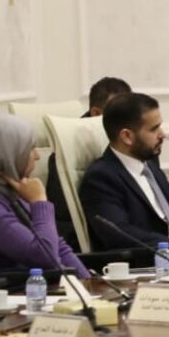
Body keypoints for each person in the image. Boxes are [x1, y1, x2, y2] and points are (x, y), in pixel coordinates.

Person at [79, 93, 169, 259]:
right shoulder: (101, 178)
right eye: (154, 129)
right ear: (127, 136)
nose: (163, 134)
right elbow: (122, 235)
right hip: (159, 266)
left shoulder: (150, 167)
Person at [0, 114, 88, 279]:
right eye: (30, 149)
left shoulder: (8, 191)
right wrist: (39, 202)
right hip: (18, 290)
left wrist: (88, 284)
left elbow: (59, 247)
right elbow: (45, 257)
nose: (37, 156)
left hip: (45, 286)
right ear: (5, 156)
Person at [50, 76, 132, 249]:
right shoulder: (65, 154)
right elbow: (64, 222)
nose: (128, 122)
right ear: (96, 114)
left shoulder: (137, 142)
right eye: (118, 114)